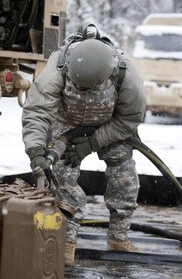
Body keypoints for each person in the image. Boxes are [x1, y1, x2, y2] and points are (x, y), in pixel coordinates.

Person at [22, 24, 146, 267]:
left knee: (124, 177)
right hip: (65, 124)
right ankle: (66, 244)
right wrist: (36, 150)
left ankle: (118, 238)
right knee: (62, 180)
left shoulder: (125, 75)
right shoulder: (58, 67)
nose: (79, 89)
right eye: (75, 85)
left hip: (110, 128)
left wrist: (92, 143)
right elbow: (37, 111)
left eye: (85, 88)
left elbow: (129, 120)